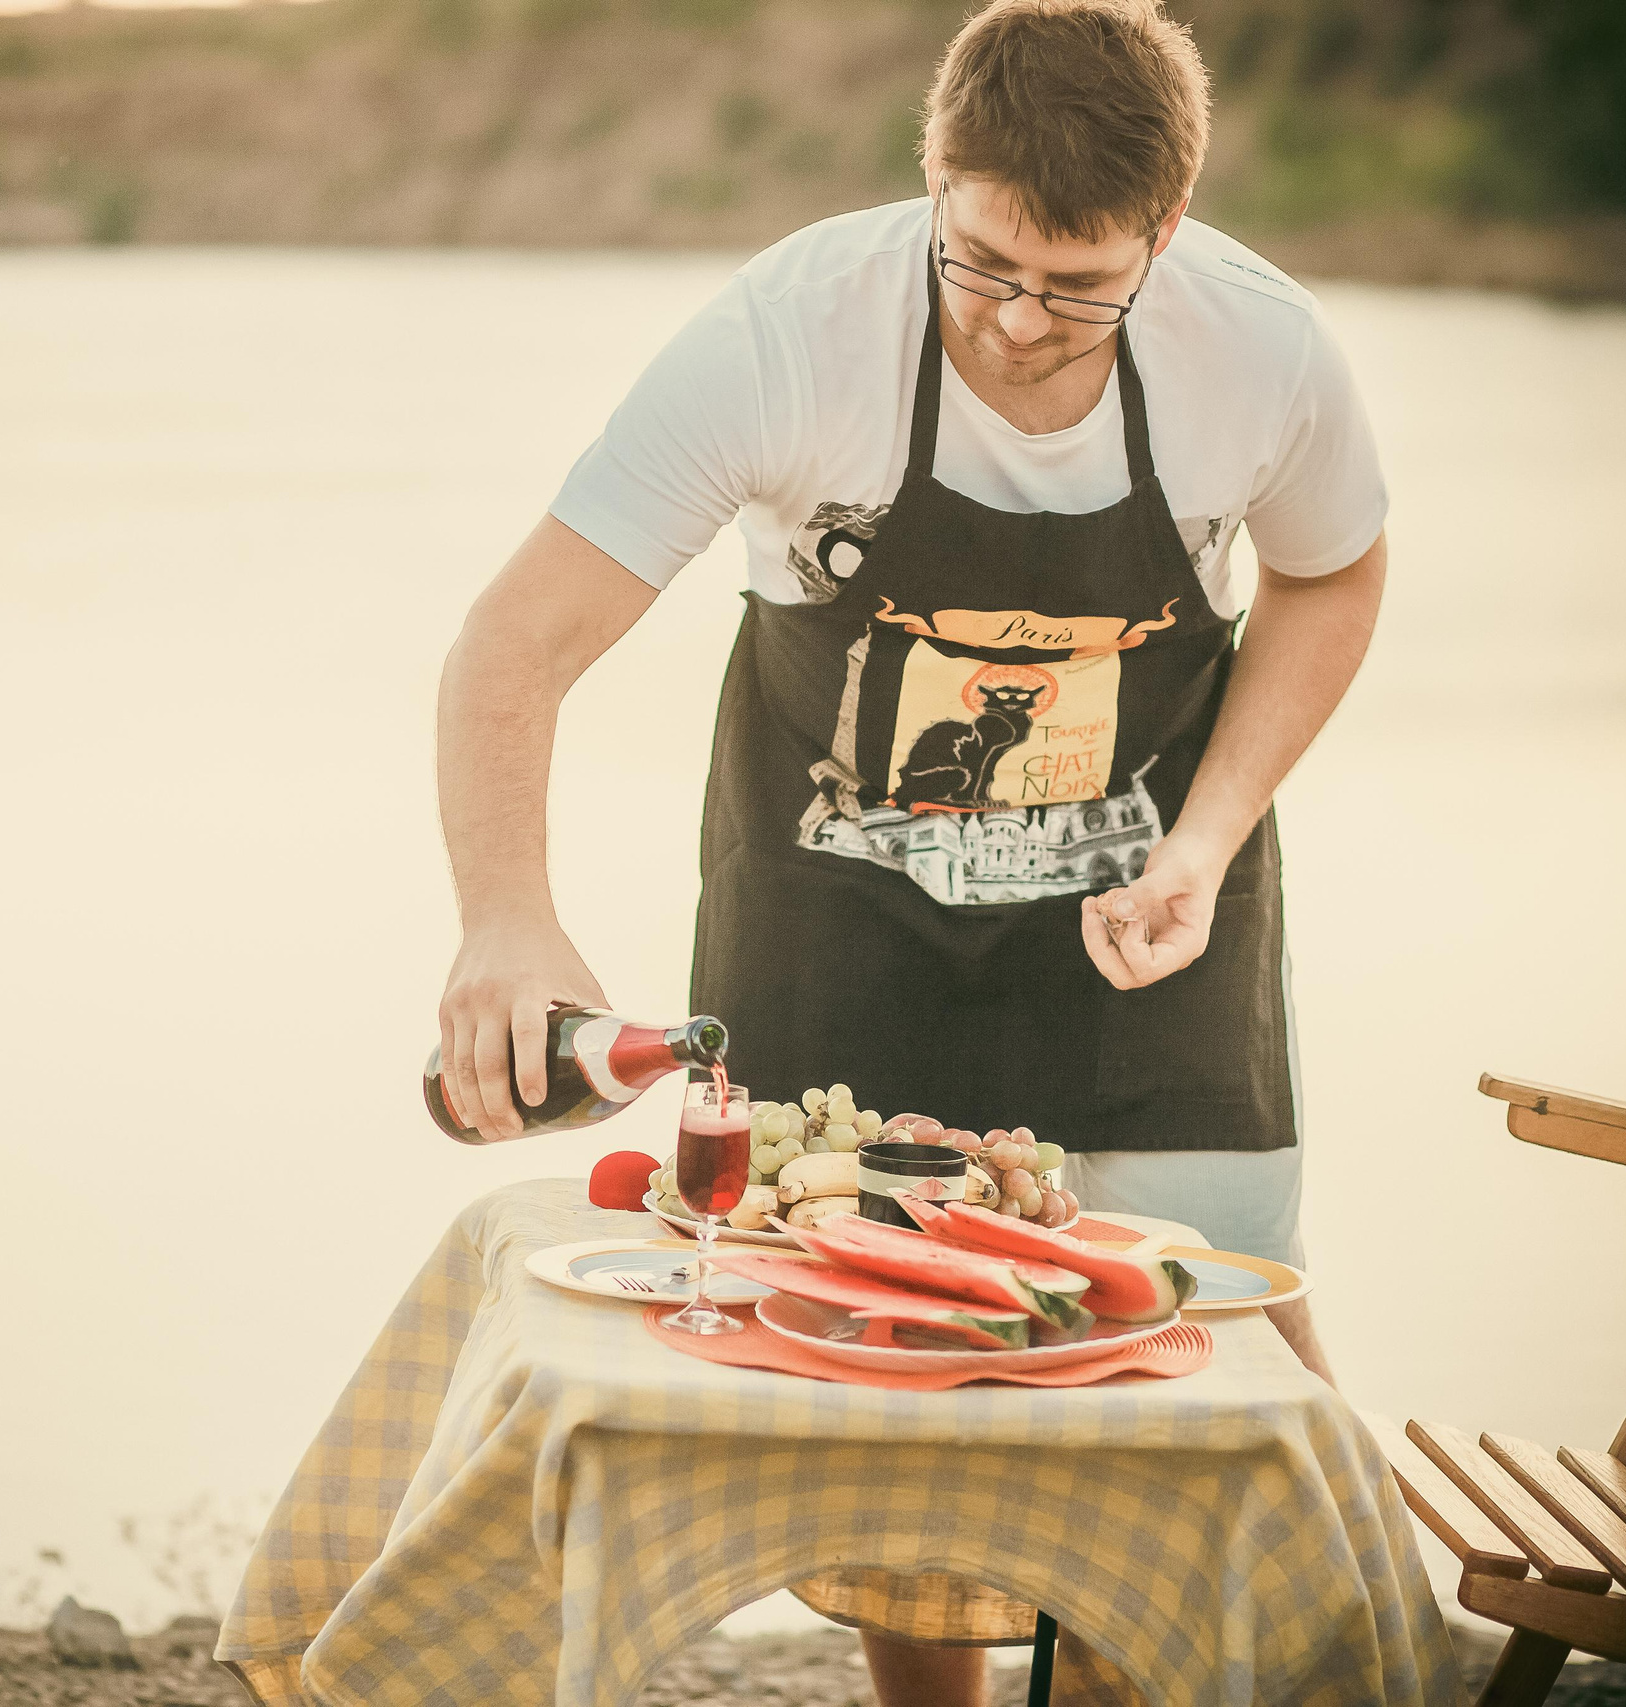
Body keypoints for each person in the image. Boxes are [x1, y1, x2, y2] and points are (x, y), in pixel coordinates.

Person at [434, 1, 1386, 1698]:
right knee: (895, 1397)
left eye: (1081, 284)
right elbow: (513, 648)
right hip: (840, 904)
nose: (1023, 323)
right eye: (984, 263)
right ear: (933, 179)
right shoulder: (786, 339)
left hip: (1143, 906)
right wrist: (507, 922)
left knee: (1204, 1354)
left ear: (1166, 230)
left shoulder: (1266, 352)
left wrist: (1212, 834)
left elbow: (1334, 572)